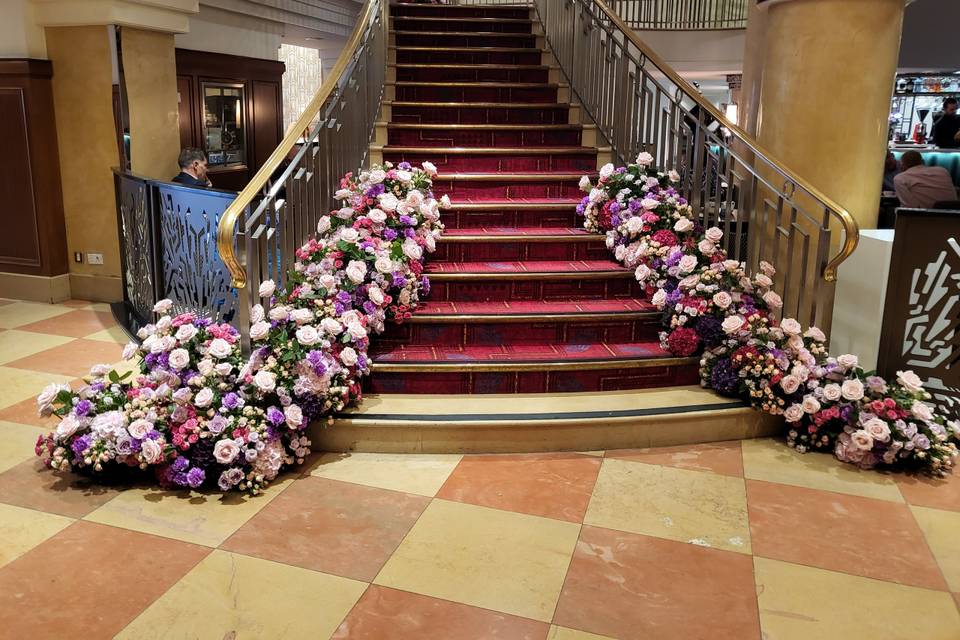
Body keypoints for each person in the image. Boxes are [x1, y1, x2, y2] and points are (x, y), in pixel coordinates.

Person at [893, 150, 958, 209]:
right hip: (954, 215)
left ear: (902, 166)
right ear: (923, 161)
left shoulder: (900, 178)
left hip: (926, 218)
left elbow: (909, 206)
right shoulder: (942, 171)